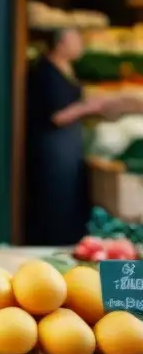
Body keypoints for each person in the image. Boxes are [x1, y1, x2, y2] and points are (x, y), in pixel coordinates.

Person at [25, 27, 143, 245]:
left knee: (70, 197)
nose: (80, 46)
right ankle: (51, 245)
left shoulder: (68, 68)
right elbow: (56, 116)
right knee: (55, 197)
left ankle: (69, 243)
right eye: (75, 41)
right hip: (53, 146)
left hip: (71, 144)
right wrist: (89, 107)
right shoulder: (45, 72)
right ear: (61, 44)